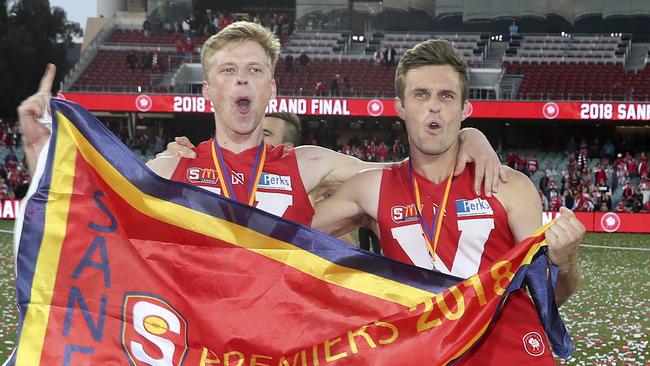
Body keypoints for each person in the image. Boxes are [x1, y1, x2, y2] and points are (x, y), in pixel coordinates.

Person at [19, 21, 503, 232]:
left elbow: (407, 173)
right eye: (228, 72)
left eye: (253, 71)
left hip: (282, 346)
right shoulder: (173, 164)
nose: (241, 81)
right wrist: (37, 148)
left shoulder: (308, 164)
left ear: (271, 88)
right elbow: (86, 207)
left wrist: (468, 134)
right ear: (208, 91)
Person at [311, 39, 583, 362]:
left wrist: (566, 262)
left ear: (465, 109)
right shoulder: (372, 189)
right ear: (400, 106)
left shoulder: (509, 186)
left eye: (447, 96)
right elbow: (282, 241)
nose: (434, 106)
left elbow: (549, 298)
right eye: (421, 95)